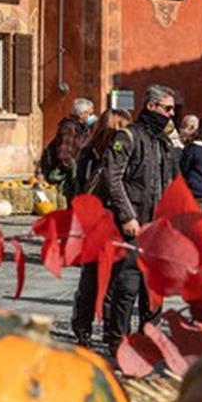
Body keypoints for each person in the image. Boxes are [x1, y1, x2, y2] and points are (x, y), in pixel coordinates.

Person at [99, 85, 180, 347]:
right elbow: (112, 178)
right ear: (151, 106)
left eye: (173, 110)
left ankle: (149, 337)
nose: (171, 114)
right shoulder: (128, 136)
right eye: (167, 108)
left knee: (154, 288)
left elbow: (172, 182)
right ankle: (117, 340)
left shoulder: (164, 142)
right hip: (133, 224)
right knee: (127, 286)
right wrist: (127, 216)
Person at [67, 109, 131, 349]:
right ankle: (95, 328)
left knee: (100, 277)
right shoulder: (93, 155)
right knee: (100, 278)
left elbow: (78, 190)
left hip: (101, 219)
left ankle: (92, 328)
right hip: (104, 219)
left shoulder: (91, 154)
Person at [40, 98, 96, 198]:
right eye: (89, 113)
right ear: (81, 114)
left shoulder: (83, 128)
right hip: (68, 178)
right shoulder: (69, 128)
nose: (92, 116)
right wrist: (73, 169)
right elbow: (63, 154)